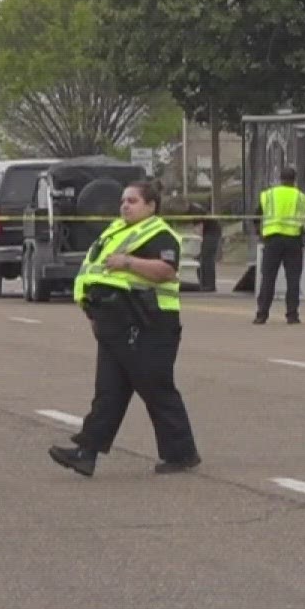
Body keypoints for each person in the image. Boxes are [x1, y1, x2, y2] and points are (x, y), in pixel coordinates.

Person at [51, 180, 201, 477]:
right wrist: (90, 310)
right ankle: (86, 453)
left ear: (150, 206)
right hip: (114, 323)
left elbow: (166, 271)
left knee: (156, 388)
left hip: (148, 323)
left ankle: (181, 453)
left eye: (132, 201)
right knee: (109, 392)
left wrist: (128, 263)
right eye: (123, 201)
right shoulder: (115, 231)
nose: (124, 206)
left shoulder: (159, 234)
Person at [253, 166, 305, 325]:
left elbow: (255, 215)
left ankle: (262, 315)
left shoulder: (269, 195)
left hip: (272, 240)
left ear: (280, 178)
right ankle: (292, 315)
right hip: (294, 241)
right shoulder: (301, 197)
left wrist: (258, 232)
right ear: (295, 180)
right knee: (293, 280)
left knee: (268, 278)